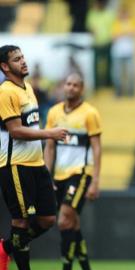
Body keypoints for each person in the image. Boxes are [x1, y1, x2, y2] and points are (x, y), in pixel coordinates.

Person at [0, 45, 68, 270]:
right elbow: (16, 131)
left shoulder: (28, 87)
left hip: (37, 164)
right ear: (4, 66)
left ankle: (6, 248)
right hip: (16, 165)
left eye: (22, 57)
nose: (23, 61)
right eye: (16, 59)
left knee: (48, 219)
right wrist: (50, 133)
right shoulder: (5, 91)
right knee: (21, 221)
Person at [44, 73, 102, 270]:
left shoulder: (90, 113)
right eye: (68, 84)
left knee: (63, 219)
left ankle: (66, 267)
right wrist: (46, 175)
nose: (71, 88)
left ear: (82, 88)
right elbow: (50, 147)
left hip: (80, 174)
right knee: (73, 223)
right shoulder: (53, 112)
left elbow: (96, 147)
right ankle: (85, 265)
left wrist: (95, 180)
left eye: (75, 85)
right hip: (59, 175)